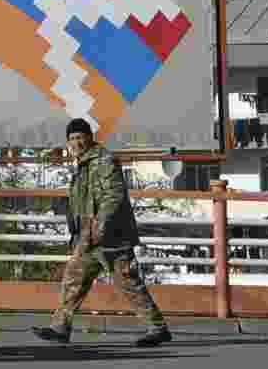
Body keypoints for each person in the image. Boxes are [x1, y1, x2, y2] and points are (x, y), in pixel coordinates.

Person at [31, 118, 172, 348]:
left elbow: (113, 196)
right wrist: (79, 233)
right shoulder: (83, 163)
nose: (76, 142)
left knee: (128, 282)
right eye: (72, 139)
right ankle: (60, 327)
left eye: (80, 137)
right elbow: (81, 202)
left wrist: (100, 226)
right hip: (89, 236)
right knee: (73, 279)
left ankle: (158, 328)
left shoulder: (103, 160)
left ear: (89, 137)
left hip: (111, 237)